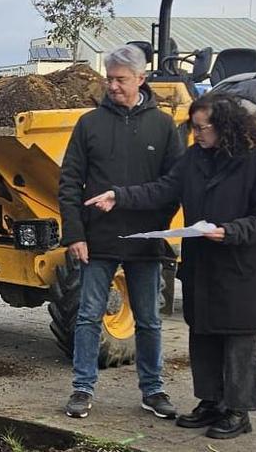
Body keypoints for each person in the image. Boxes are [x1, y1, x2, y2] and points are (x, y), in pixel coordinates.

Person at [85, 92, 256, 439]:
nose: (197, 135)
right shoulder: (194, 158)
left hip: (239, 266)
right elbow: (163, 189)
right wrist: (120, 195)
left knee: (236, 341)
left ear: (225, 127)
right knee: (203, 334)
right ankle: (210, 402)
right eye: (193, 128)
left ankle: (238, 410)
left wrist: (231, 231)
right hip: (202, 264)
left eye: (203, 128)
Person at [59, 44, 183, 419]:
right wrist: (76, 234)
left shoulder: (163, 126)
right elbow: (69, 183)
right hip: (98, 240)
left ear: (141, 79)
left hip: (145, 241)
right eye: (109, 79)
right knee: (87, 315)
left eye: (120, 79)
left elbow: (174, 184)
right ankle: (82, 388)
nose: (112, 86)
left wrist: (157, 226)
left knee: (148, 319)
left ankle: (153, 389)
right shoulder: (89, 124)